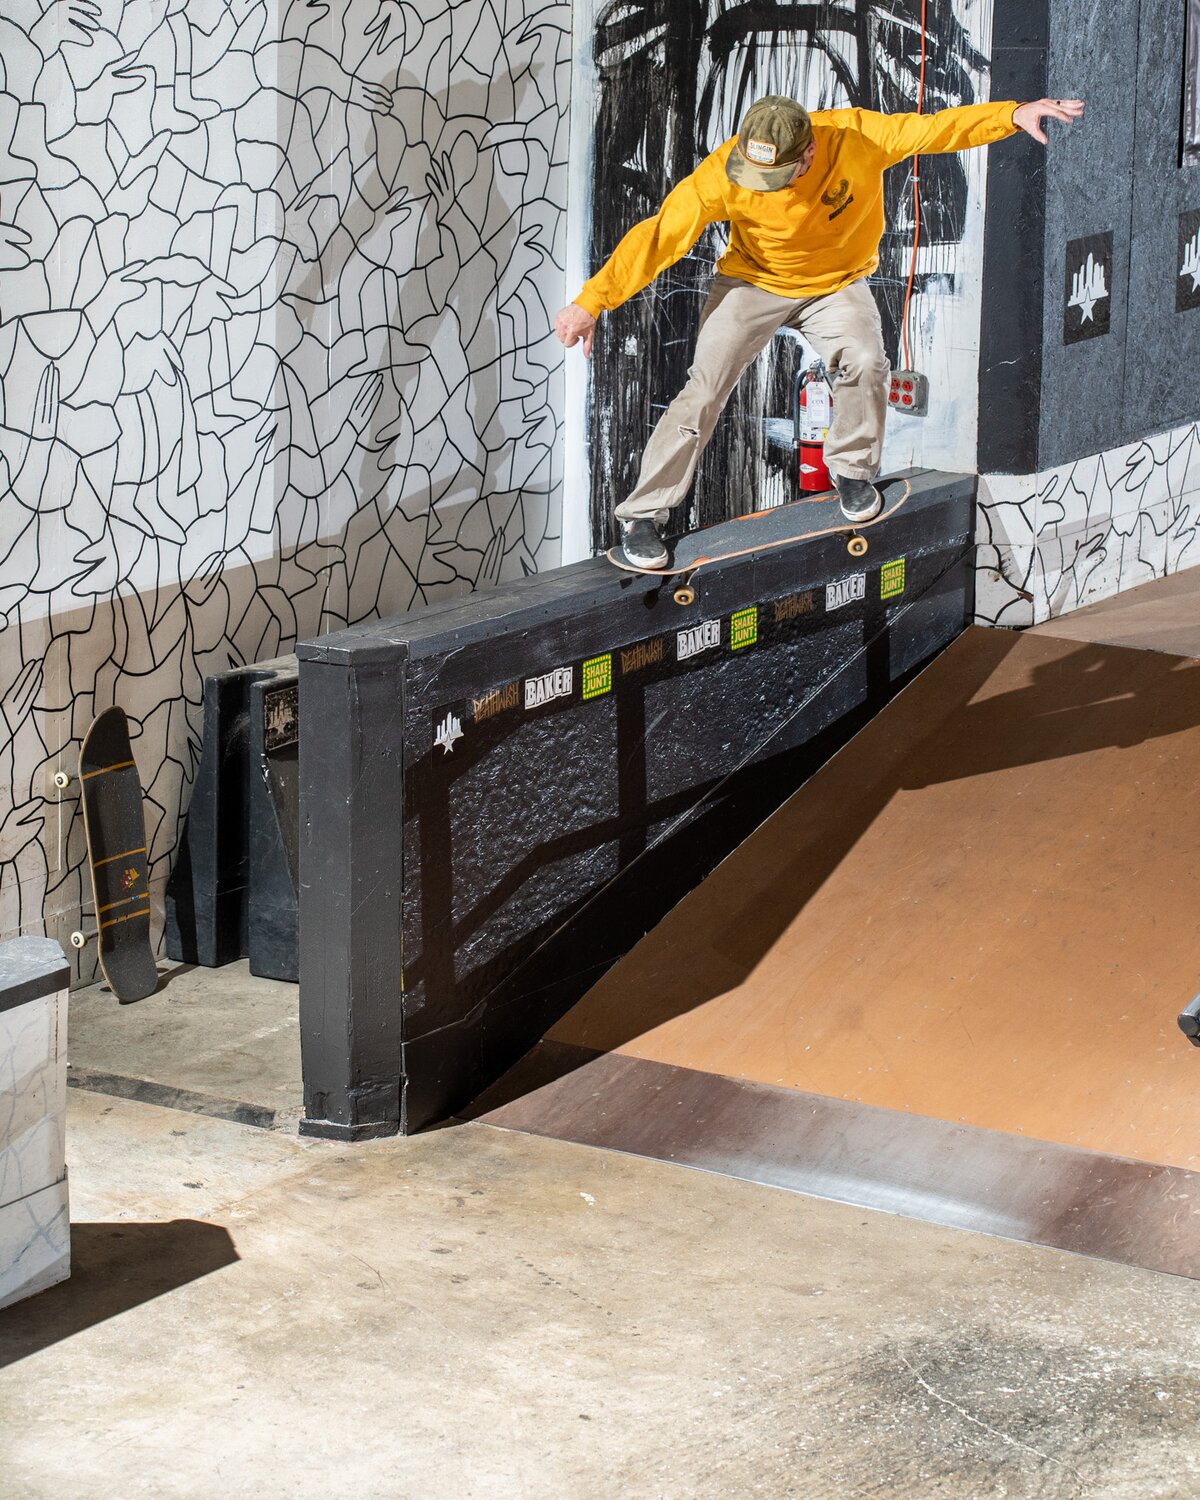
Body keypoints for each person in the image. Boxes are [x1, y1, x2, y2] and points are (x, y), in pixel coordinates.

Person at [555, 93, 1084, 568]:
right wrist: (591, 301)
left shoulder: (857, 137)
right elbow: (658, 236)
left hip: (835, 285)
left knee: (866, 361)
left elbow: (938, 129)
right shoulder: (725, 171)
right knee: (704, 390)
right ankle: (642, 515)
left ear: (809, 152)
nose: (762, 187)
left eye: (777, 176)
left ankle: (852, 470)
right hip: (752, 283)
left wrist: (1012, 115)